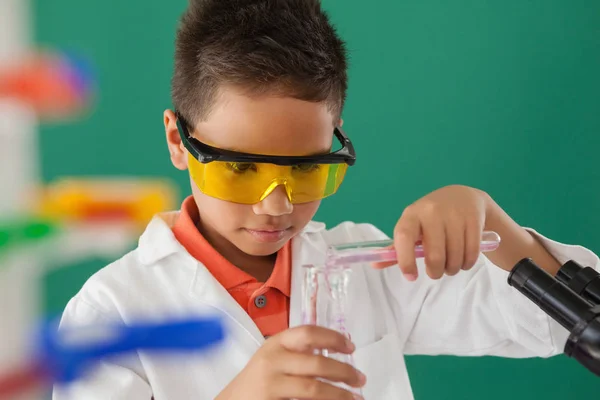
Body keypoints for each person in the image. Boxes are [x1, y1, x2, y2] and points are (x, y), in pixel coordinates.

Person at [53, 1, 599, 399]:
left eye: (308, 168)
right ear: (179, 140)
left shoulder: (372, 265)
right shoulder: (112, 312)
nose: (276, 206)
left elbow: (568, 328)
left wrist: (497, 226)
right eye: (241, 168)